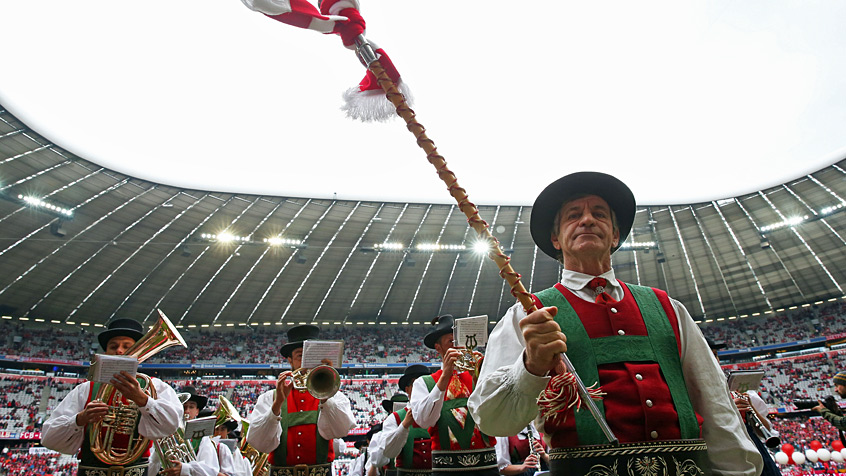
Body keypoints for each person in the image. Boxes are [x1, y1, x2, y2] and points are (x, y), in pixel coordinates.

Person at [467, 172, 763, 476]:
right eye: (573, 215)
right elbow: (491, 420)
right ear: (555, 238)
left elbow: (716, 407)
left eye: (599, 214)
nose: (587, 220)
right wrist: (530, 366)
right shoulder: (526, 315)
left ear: (615, 234)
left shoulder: (669, 309)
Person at [41, 318, 183, 476]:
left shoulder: (156, 386)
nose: (120, 351)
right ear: (105, 353)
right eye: (113, 347)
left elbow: (171, 426)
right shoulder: (85, 389)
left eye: (127, 347)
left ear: (140, 352)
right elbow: (48, 438)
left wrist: (143, 400)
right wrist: (80, 419)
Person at [247, 324, 355, 476]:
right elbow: (258, 442)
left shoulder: (333, 395)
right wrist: (277, 404)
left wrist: (325, 396)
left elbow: (342, 430)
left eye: (311, 356)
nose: (306, 363)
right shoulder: (269, 397)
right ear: (290, 361)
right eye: (300, 356)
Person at [411, 315, 497, 476]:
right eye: (451, 342)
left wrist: (480, 377)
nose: (458, 347)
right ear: (438, 348)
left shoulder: (479, 374)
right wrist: (444, 377)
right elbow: (424, 421)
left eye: (460, 341)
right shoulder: (423, 383)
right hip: (448, 469)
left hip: (486, 466)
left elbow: (495, 412)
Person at [370, 364, 433, 476]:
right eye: (417, 384)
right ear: (407, 390)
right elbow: (389, 452)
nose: (422, 388)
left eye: (426, 383)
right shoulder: (394, 418)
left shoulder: (440, 412)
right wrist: (404, 425)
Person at [148, 387, 220, 476]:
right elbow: (149, 472)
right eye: (183, 406)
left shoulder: (202, 438)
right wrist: (157, 454)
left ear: (197, 411)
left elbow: (211, 471)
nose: (187, 411)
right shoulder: (163, 434)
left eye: (191, 407)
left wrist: (185, 469)